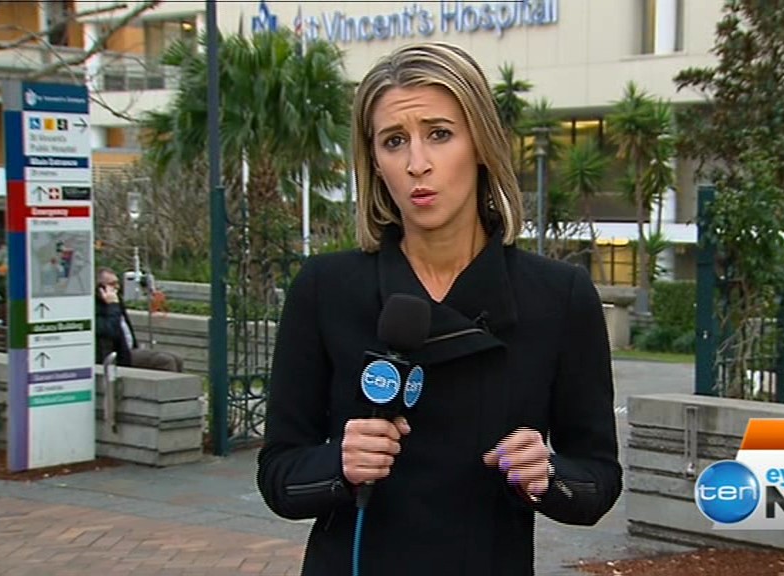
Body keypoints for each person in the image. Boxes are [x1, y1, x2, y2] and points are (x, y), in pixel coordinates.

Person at [256, 42, 622, 576]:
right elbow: (279, 476)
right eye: (394, 141)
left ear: (481, 144)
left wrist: (547, 473)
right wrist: (338, 462)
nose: (417, 164)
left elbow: (598, 480)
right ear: (374, 162)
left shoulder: (558, 296)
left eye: (440, 134)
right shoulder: (325, 288)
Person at [95, 266, 183, 372]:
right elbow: (109, 330)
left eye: (117, 283)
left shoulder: (116, 301)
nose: (117, 287)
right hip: (115, 355)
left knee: (177, 358)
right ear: (100, 288)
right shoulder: (96, 307)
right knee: (165, 361)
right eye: (112, 284)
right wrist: (112, 306)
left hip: (129, 349)